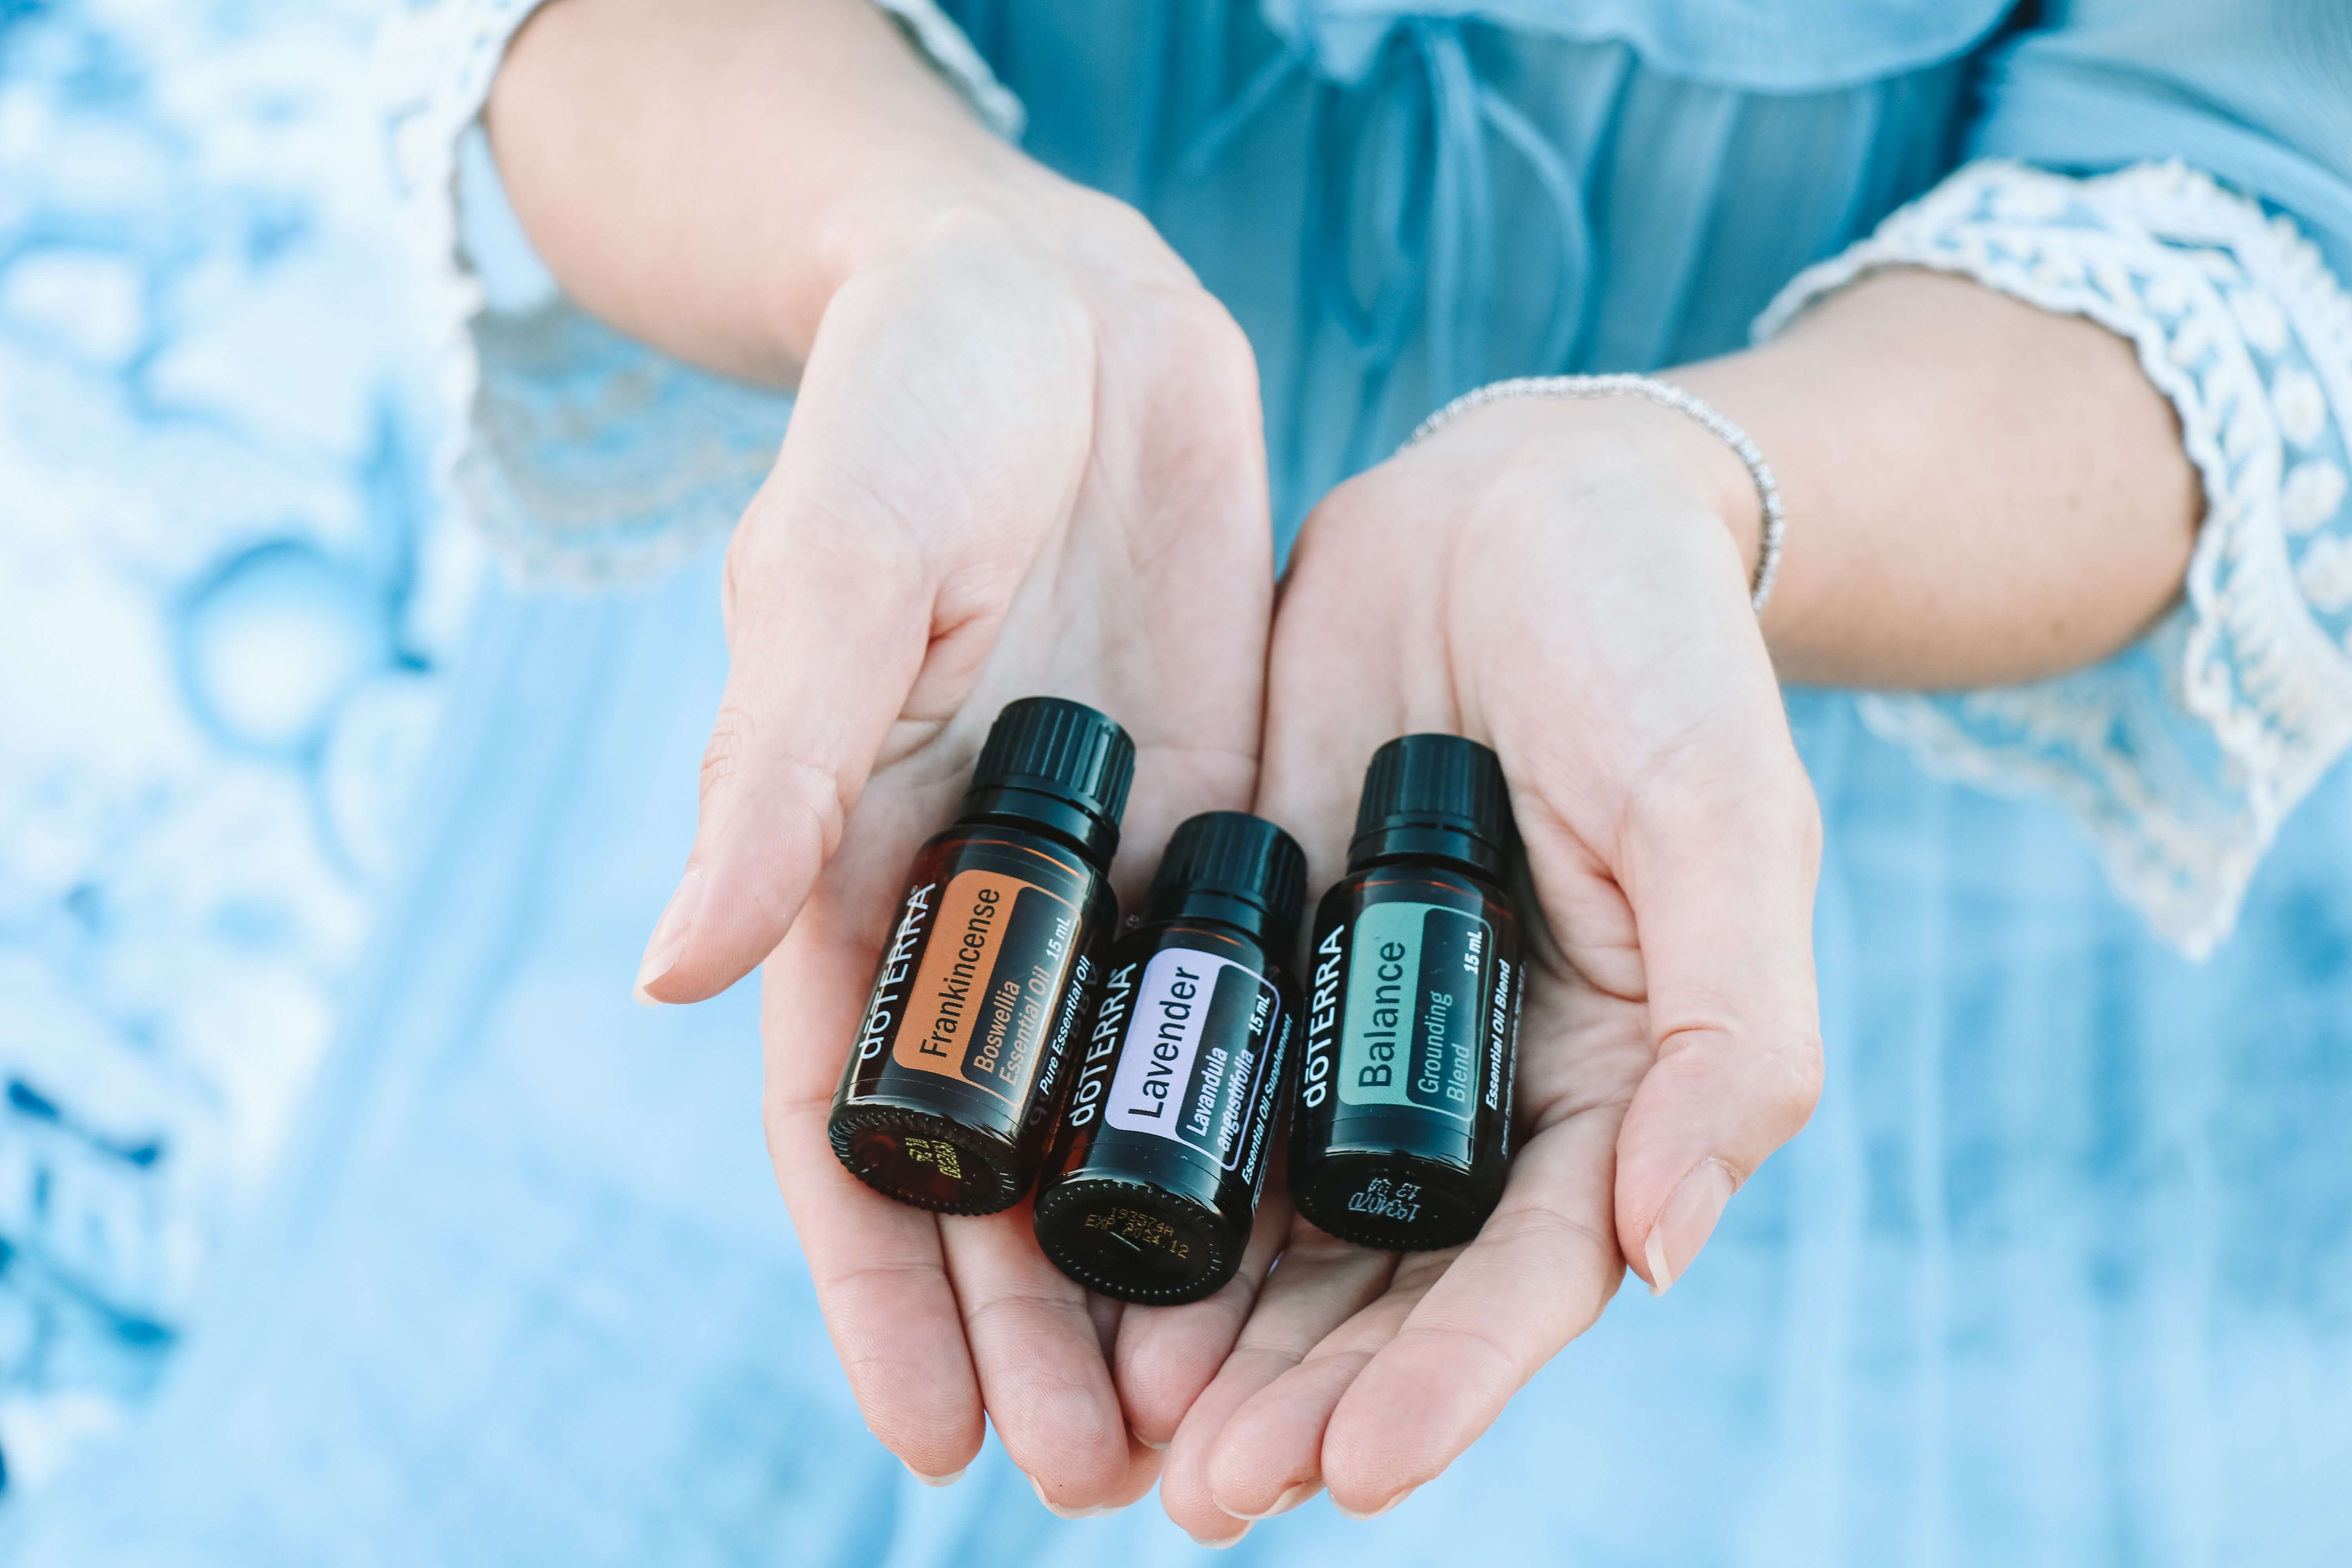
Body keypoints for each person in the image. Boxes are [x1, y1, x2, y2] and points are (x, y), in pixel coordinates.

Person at [12, 0, 2352, 1562]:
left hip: (1781, 726)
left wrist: (1686, 504)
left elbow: (2260, 173)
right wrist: (912, 243)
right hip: (932, 599)